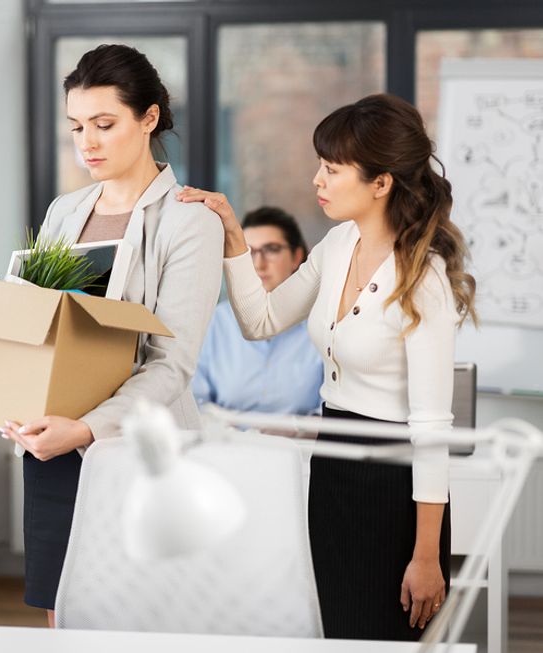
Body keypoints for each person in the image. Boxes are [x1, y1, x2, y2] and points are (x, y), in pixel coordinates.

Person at [0, 44, 223, 627]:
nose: (87, 143)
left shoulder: (190, 222)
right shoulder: (64, 211)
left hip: (139, 451)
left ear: (149, 118)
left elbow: (170, 364)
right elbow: (26, 341)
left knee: (141, 623)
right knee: (64, 620)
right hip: (50, 452)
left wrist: (84, 428)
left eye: (105, 124)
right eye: (77, 126)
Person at [178, 93, 476, 641]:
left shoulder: (423, 278)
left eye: (332, 169)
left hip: (395, 482)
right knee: (337, 632)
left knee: (383, 637)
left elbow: (431, 427)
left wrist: (428, 555)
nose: (318, 179)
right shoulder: (338, 243)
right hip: (334, 465)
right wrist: (233, 238)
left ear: (380, 183)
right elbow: (260, 321)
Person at [192, 206, 322, 415]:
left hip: (298, 445)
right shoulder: (214, 322)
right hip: (225, 443)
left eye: (272, 249)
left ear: (297, 257)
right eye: (248, 252)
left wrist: (296, 428)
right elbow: (195, 401)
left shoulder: (322, 324)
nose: (259, 264)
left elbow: (329, 409)